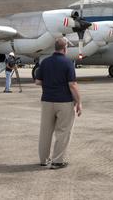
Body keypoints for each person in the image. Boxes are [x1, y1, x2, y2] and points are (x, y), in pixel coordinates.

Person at [35, 38, 82, 169]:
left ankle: (43, 160)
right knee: (63, 132)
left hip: (47, 101)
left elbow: (38, 81)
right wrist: (79, 102)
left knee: (45, 131)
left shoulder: (45, 62)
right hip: (64, 102)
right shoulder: (68, 63)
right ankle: (57, 161)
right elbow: (72, 84)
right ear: (65, 48)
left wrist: (49, 85)